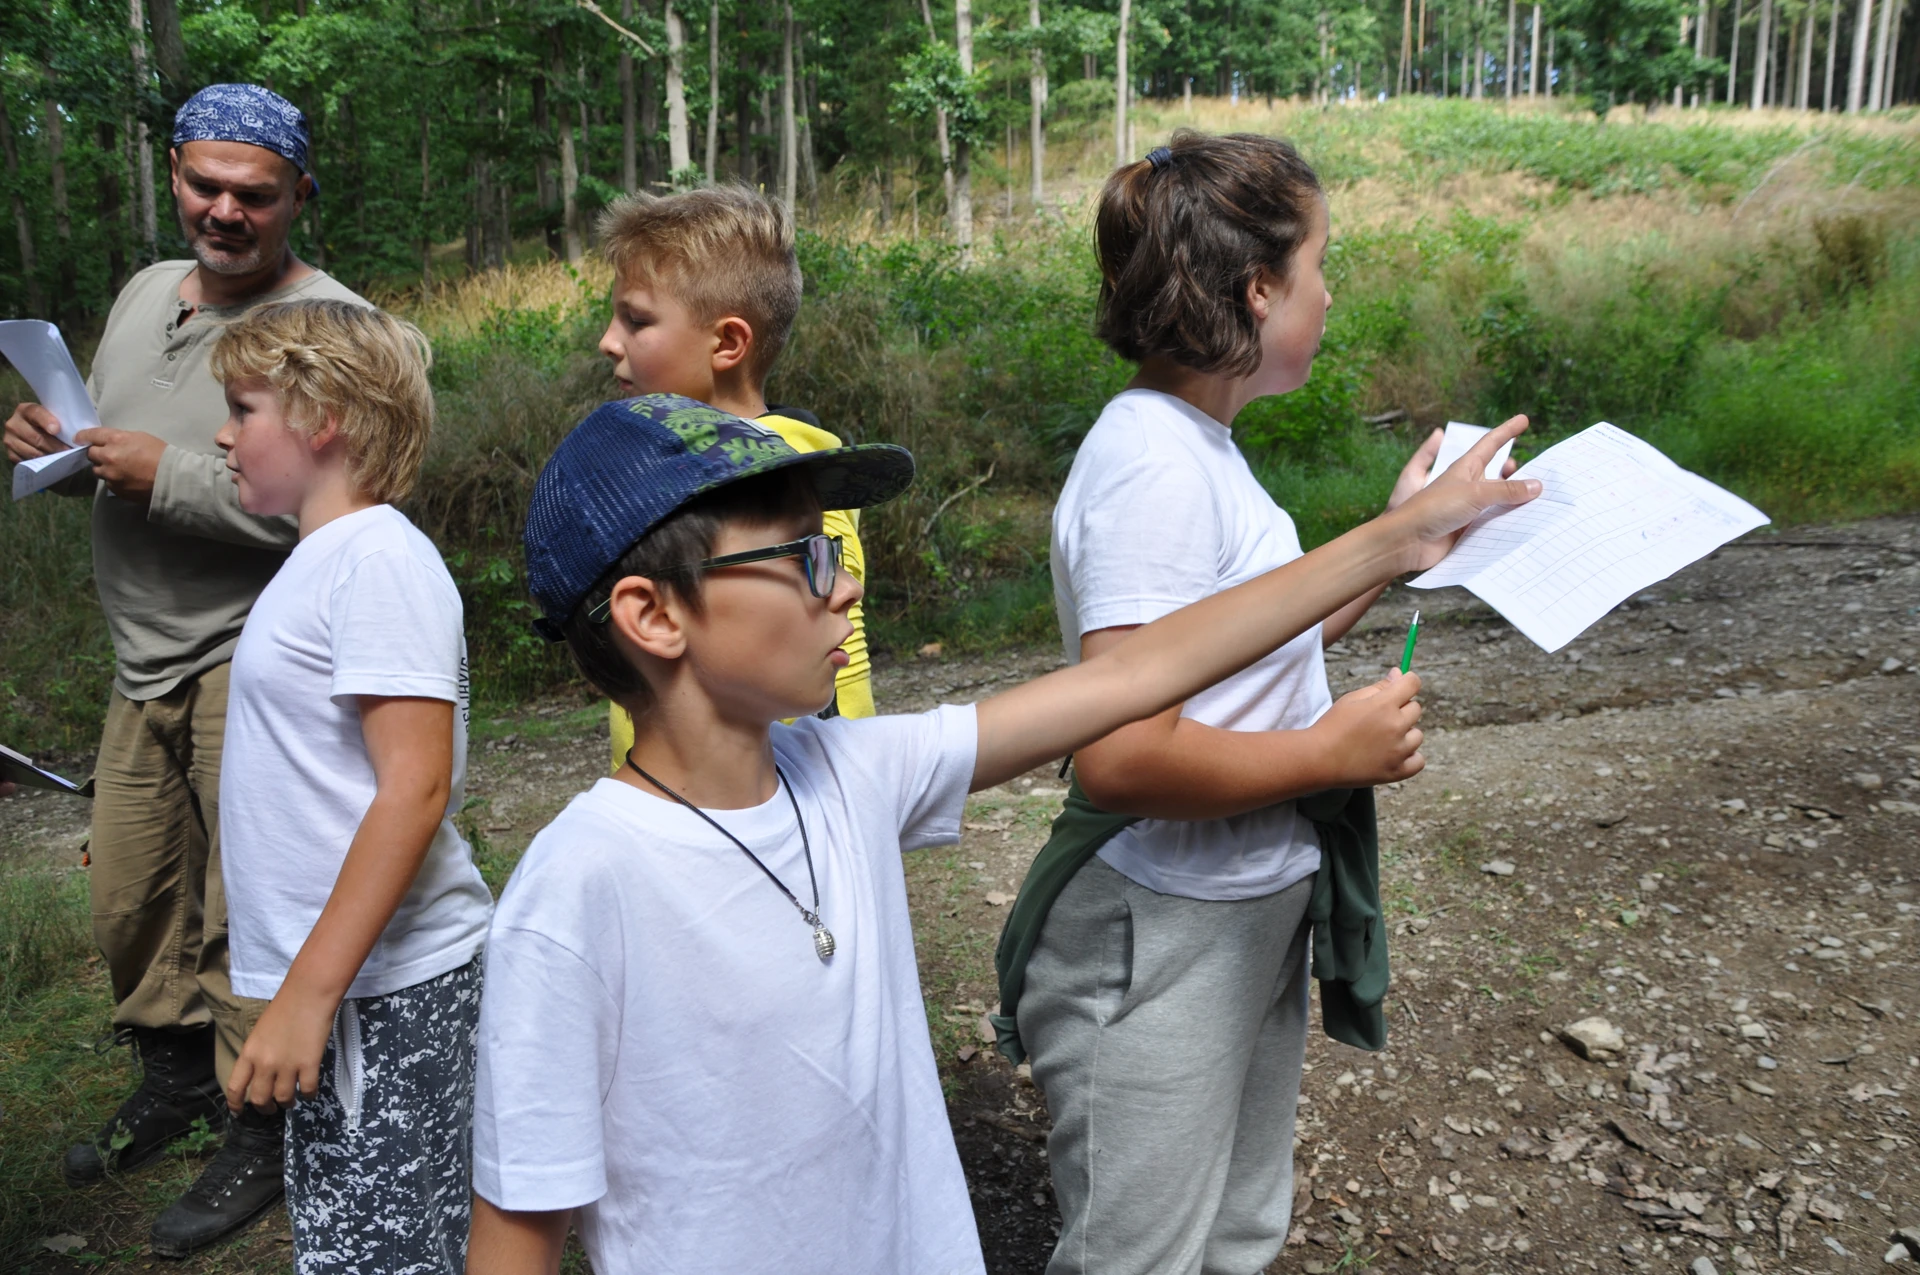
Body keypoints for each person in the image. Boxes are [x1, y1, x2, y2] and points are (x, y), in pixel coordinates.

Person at [464, 393, 1534, 1274]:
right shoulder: (578, 890)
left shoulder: (850, 774)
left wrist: (1398, 540)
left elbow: (1138, 673)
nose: (848, 585)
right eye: (806, 557)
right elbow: (518, 1232)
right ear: (654, 615)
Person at [1009, 132, 1523, 1275]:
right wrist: (1327, 753)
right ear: (1256, 290)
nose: (1329, 294)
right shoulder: (1152, 467)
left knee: (1237, 1228)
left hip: (1243, 907)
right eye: (1318, 265)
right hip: (1162, 928)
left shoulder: (1203, 448)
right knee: (1138, 1251)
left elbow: (1249, 645)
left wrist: (1396, 546)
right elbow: (1120, 756)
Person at [1, 83, 370, 1254]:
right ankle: (175, 1083)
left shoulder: (334, 327)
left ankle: (265, 1127)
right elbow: (116, 438)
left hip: (257, 658)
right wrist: (54, 444)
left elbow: (346, 505)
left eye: (253, 194)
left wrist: (164, 474)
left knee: (249, 914)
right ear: (173, 174)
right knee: (137, 899)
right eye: (204, 185)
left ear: (299, 194)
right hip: (140, 654)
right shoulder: (145, 291)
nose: (224, 211)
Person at [210, 298, 493, 1273]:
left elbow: (415, 787)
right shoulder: (325, 559)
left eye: (243, 408)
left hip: (383, 989)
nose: (223, 434)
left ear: (321, 415)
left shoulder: (377, 559)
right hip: (348, 988)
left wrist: (309, 994)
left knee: (388, 1252)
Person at [593, 185, 876, 777]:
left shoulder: (794, 478)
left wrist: (845, 785)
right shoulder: (656, 469)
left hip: (774, 787)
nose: (608, 342)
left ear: (726, 343)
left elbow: (839, 657)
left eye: (637, 320)